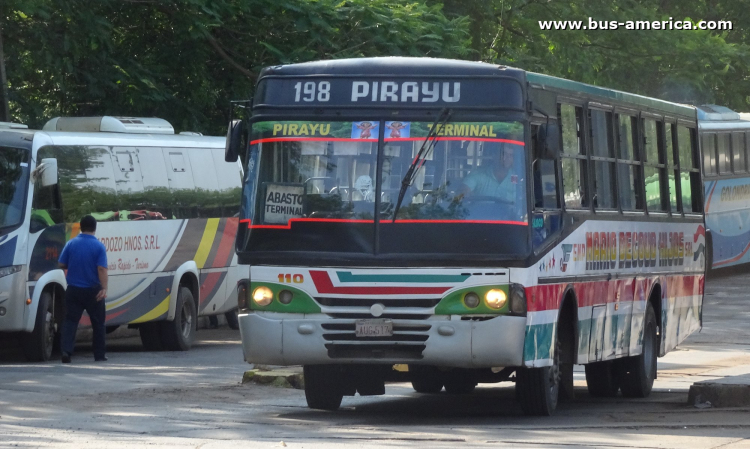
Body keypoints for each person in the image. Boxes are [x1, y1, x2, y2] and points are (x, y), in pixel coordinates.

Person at [58, 215, 109, 363]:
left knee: (70, 321)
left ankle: (66, 351)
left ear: (80, 227)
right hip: (94, 291)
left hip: (73, 290)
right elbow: (101, 269)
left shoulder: (71, 244)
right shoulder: (99, 246)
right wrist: (104, 288)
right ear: (95, 228)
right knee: (98, 324)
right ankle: (99, 355)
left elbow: (61, 264)